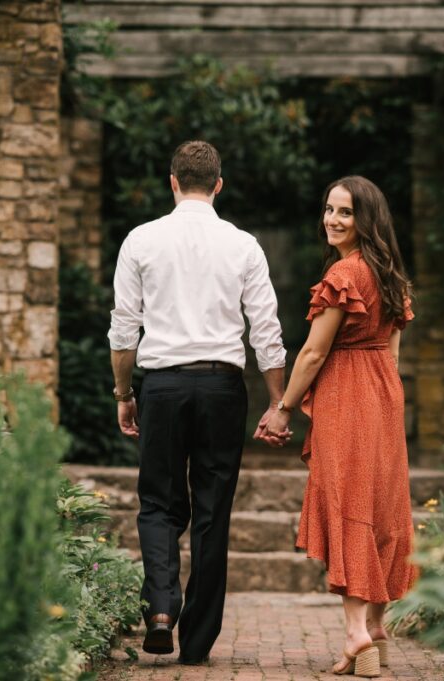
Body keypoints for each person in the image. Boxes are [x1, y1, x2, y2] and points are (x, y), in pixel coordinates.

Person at [109, 140, 288, 665]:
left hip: (161, 386)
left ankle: (161, 608)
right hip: (221, 388)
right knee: (212, 509)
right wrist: (277, 401)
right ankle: (199, 641)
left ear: (171, 181)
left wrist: (125, 394)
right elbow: (267, 331)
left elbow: (124, 330)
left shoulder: (141, 240)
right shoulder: (244, 245)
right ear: (218, 185)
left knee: (158, 503)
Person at [260, 175, 416, 678]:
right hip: (385, 395)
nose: (332, 219)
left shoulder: (345, 276)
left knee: (349, 505)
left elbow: (313, 351)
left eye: (345, 212)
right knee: (383, 507)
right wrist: (384, 395)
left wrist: (284, 406)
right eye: (329, 209)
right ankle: (377, 629)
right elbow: (392, 351)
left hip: (347, 396)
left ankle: (355, 637)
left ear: (365, 220)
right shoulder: (390, 274)